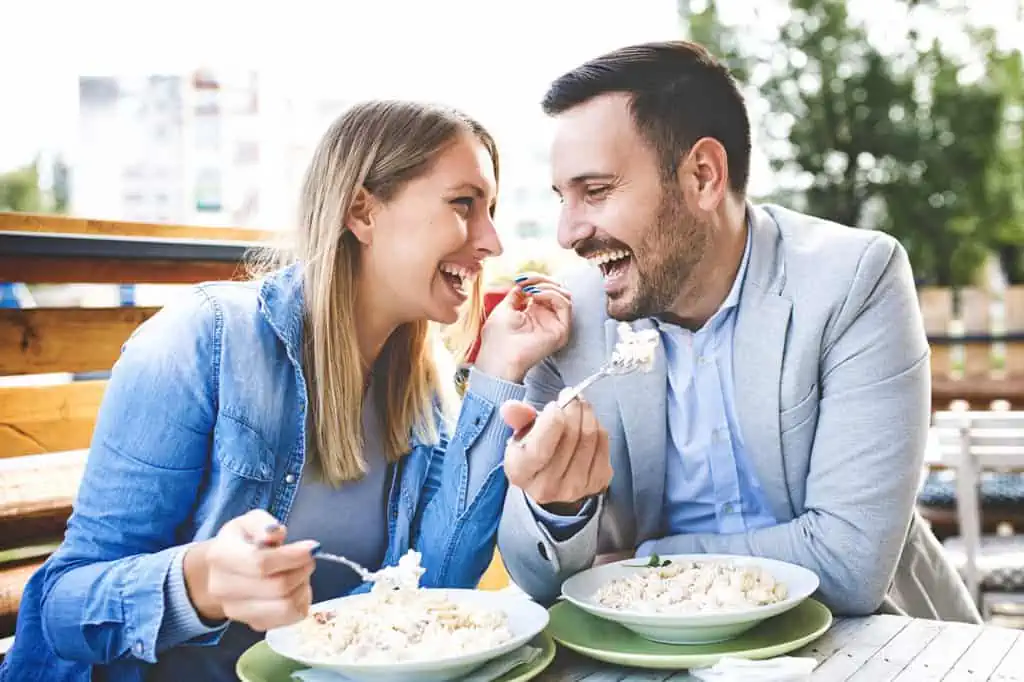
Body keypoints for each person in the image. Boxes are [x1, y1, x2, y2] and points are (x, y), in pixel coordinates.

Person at [0, 100, 572, 682]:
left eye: (492, 210)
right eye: (463, 204)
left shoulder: (423, 395)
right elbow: (63, 609)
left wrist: (499, 369)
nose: (493, 241)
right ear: (361, 211)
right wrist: (197, 584)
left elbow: (440, 592)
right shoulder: (206, 341)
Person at [496, 41, 980, 623]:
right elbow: (537, 576)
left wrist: (639, 566)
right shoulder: (572, 315)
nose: (568, 231)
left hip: (865, 643)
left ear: (703, 176)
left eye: (596, 191)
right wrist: (560, 506)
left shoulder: (856, 280)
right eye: (562, 197)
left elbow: (849, 566)